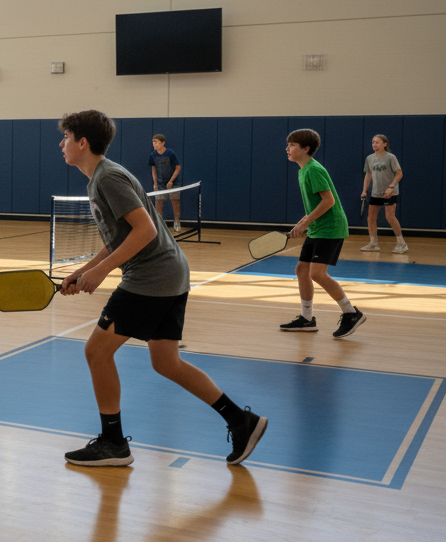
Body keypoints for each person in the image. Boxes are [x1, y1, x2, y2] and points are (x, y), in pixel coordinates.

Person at [56, 110, 266, 467]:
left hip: (151, 277)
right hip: (170, 273)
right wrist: (84, 270)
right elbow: (119, 237)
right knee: (166, 362)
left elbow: (146, 232)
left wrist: (104, 271)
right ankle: (241, 420)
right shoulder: (100, 179)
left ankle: (113, 442)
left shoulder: (108, 178)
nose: (61, 145)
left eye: (65, 138)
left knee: (96, 351)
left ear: (82, 142)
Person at [281, 128, 365, 338]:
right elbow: (315, 205)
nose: (287, 149)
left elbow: (329, 201)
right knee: (302, 270)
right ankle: (307, 319)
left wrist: (306, 222)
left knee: (317, 273)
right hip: (318, 228)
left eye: (292, 145)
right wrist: (303, 222)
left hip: (331, 228)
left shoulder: (314, 169)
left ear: (305, 149)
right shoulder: (303, 170)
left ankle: (351, 313)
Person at [360, 134, 406, 254]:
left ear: (384, 144)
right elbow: (368, 175)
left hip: (390, 193)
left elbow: (399, 173)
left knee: (390, 217)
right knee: (370, 218)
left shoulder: (391, 157)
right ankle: (373, 244)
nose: (374, 144)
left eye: (377, 142)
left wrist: (391, 187)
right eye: (373, 142)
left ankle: (402, 243)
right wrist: (364, 190)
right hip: (376, 192)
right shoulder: (369, 158)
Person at [147, 134, 182, 233]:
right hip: (160, 183)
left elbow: (178, 167)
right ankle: (160, 224)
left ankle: (177, 222)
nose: (154, 144)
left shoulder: (170, 153)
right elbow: (153, 169)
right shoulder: (153, 155)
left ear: (163, 143)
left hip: (173, 182)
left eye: (157, 142)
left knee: (175, 201)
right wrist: (155, 183)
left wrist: (171, 181)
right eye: (153, 142)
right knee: (158, 203)